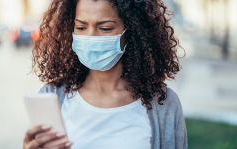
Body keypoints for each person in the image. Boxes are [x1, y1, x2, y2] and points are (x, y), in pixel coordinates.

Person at [22, 0, 187, 148]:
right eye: (81, 27)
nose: (90, 37)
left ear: (133, 30)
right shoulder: (52, 97)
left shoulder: (163, 104)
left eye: (105, 28)